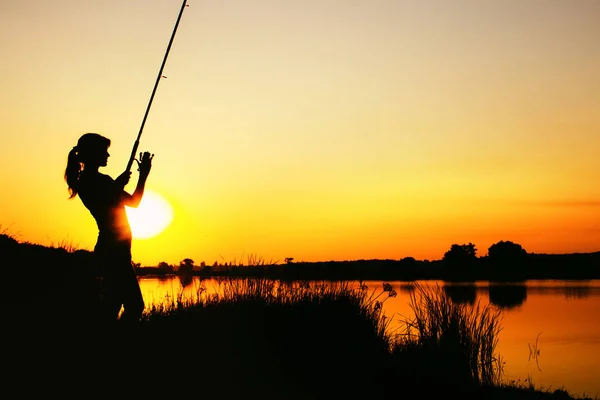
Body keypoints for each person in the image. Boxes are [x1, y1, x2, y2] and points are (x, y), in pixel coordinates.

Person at [64, 132, 153, 323]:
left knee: (113, 305)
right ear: (93, 153)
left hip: (115, 250)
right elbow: (105, 199)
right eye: (104, 151)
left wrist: (142, 175)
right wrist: (117, 184)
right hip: (112, 252)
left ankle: (105, 342)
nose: (108, 155)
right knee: (134, 306)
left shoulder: (100, 181)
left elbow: (133, 202)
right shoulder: (91, 182)